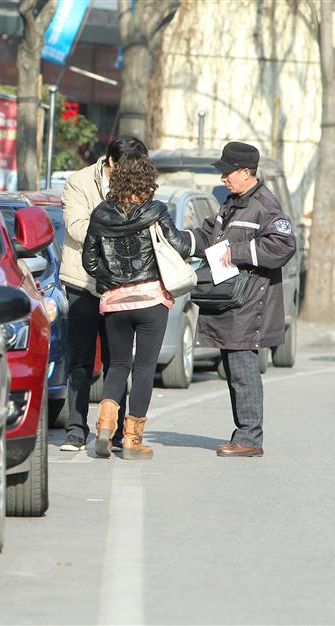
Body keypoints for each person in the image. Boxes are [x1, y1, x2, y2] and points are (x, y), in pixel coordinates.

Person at [189, 141, 296, 457]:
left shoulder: (266, 205)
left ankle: (249, 438)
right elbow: (210, 236)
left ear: (247, 172)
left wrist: (234, 253)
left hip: (251, 304)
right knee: (233, 369)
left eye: (227, 172)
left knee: (243, 370)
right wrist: (179, 239)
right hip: (231, 300)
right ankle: (245, 434)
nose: (223, 178)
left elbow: (282, 246)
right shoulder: (231, 202)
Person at [82, 157, 193, 459]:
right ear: (148, 183)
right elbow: (179, 247)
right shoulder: (155, 211)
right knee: (144, 369)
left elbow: (89, 262)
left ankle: (105, 426)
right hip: (151, 300)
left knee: (118, 366)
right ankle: (132, 440)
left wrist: (112, 282)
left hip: (116, 303)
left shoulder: (100, 214)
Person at [58, 135, 149, 452]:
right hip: (83, 283)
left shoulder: (138, 183)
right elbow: (77, 227)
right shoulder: (79, 182)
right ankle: (75, 429)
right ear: (110, 162)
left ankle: (119, 430)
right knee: (81, 361)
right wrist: (117, 229)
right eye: (125, 168)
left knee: (119, 362)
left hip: (123, 285)